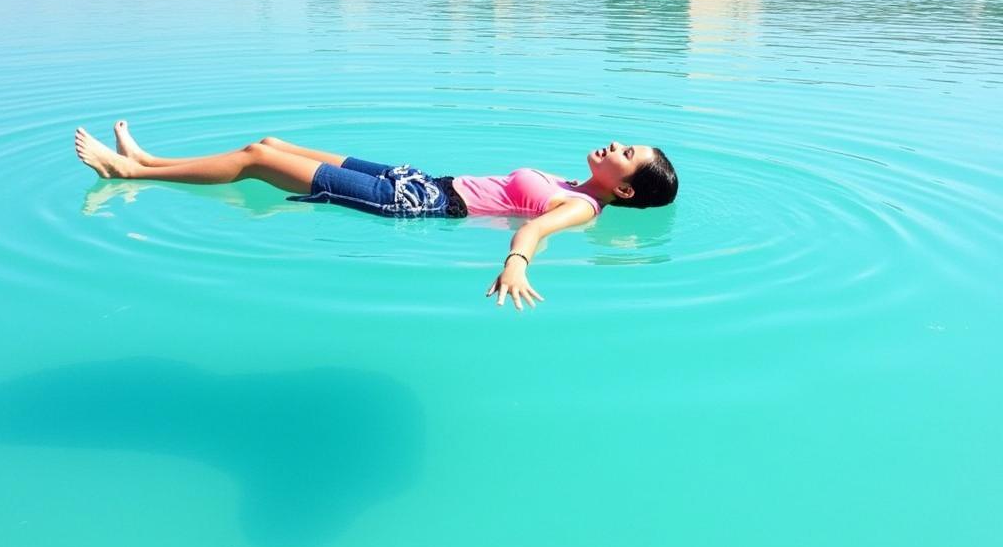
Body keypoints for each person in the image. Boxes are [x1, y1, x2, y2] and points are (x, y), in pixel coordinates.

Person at [75, 123, 679, 311]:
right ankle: (154, 158)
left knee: (259, 161)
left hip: (418, 205)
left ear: (624, 193)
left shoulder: (582, 205)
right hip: (420, 178)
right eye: (625, 144)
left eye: (627, 156)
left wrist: (516, 264)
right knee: (272, 141)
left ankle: (129, 173)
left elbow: (533, 229)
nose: (616, 147)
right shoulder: (577, 181)